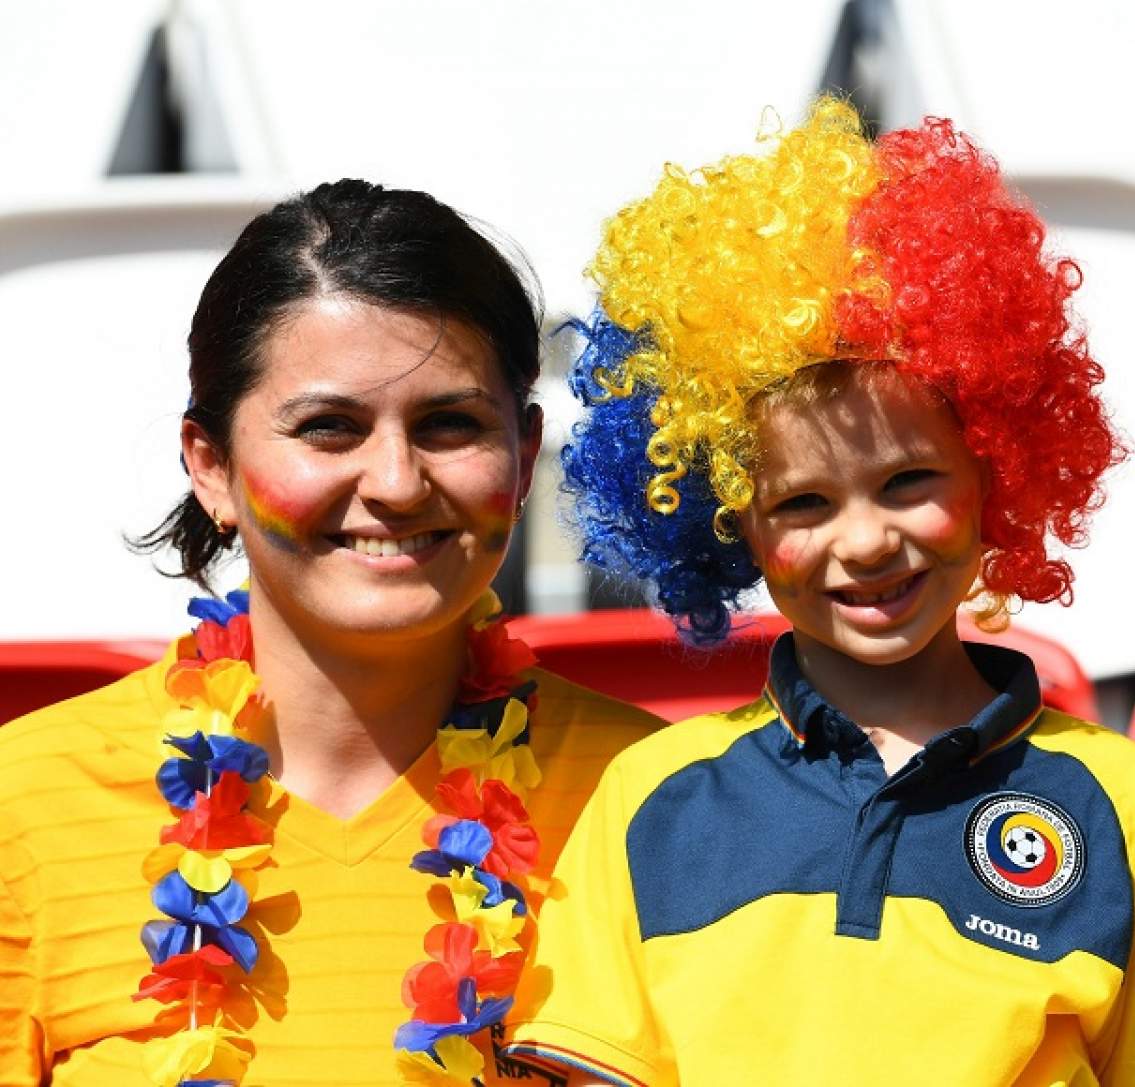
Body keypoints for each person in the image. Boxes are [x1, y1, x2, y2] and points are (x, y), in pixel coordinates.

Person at [503, 100, 1135, 1085]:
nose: (866, 540)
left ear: (996, 471)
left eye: (909, 480)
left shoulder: (1112, 795)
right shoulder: (653, 798)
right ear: (731, 521)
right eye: (804, 502)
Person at [0, 180, 663, 1087]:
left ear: (523, 453)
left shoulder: (659, 802)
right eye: (328, 428)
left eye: (450, 424)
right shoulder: (26, 806)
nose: (394, 480)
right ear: (213, 468)